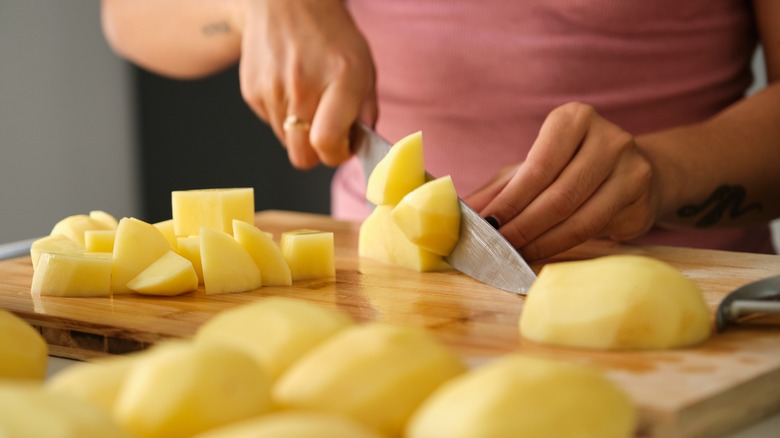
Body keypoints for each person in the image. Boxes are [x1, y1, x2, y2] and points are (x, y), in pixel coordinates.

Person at [100, 0, 780, 261]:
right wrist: (255, 6)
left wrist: (662, 176)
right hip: (388, 312)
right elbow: (127, 18)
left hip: (686, 314)